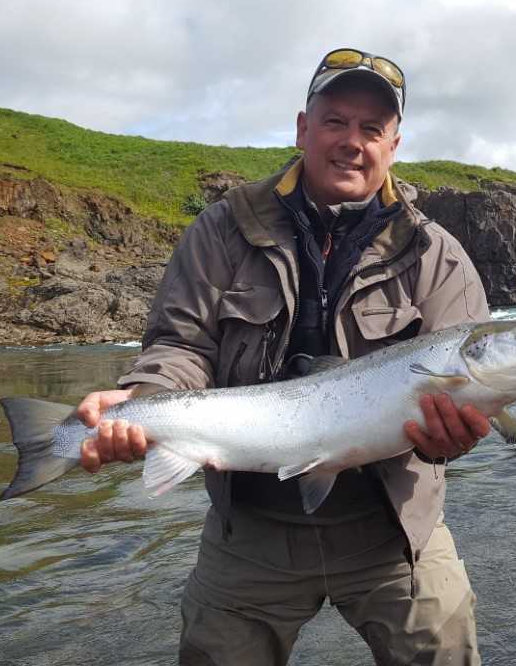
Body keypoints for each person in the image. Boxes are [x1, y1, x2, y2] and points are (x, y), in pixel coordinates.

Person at [73, 47, 492, 665]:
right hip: (251, 530)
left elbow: (459, 399)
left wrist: (445, 440)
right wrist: (143, 400)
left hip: (393, 527)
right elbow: (181, 345)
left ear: (394, 144)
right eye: (335, 122)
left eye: (372, 129)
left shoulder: (438, 255)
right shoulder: (221, 231)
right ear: (302, 128)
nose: (353, 142)